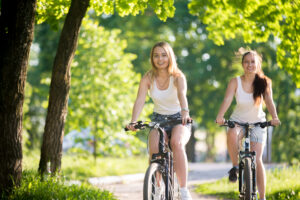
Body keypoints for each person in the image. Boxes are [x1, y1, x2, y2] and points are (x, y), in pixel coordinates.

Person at [126, 41, 193, 200]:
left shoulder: (178, 76)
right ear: (152, 58)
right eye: (156, 55)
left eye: (164, 55)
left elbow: (182, 95)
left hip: (179, 118)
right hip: (158, 119)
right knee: (154, 149)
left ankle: (183, 190)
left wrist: (185, 112)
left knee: (176, 143)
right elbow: (140, 100)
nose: (160, 59)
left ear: (170, 57)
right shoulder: (148, 77)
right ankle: (156, 187)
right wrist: (133, 121)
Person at [215, 48, 280, 200]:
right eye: (246, 62)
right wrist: (220, 116)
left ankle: (262, 197)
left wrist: (274, 117)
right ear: (242, 64)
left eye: (253, 62)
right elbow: (227, 99)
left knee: (257, 160)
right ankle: (235, 166)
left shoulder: (264, 82)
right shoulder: (235, 81)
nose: (250, 65)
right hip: (238, 121)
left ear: (258, 64)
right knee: (231, 132)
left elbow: (269, 101)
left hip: (258, 123)